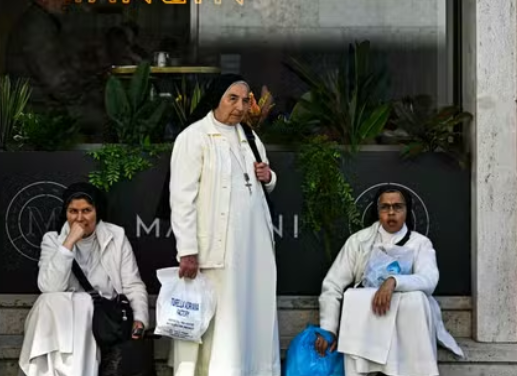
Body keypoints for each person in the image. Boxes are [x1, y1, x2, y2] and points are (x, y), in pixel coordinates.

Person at [168, 74, 281, 376]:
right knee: (219, 326)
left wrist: (268, 177)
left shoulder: (250, 137)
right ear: (217, 98)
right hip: (215, 254)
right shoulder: (193, 137)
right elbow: (181, 199)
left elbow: (264, 182)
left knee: (252, 321)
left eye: (245, 100)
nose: (241, 106)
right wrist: (188, 250)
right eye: (233, 98)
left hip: (254, 252)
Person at [315, 185, 463, 376]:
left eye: (397, 207)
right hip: (368, 320)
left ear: (406, 211)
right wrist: (329, 328)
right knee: (354, 297)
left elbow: (429, 279)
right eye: (385, 207)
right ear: (378, 211)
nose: (391, 213)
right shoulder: (359, 241)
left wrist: (394, 281)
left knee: (416, 299)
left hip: (407, 322)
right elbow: (332, 285)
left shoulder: (420, 243)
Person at [19, 182, 150, 376]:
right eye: (73, 211)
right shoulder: (53, 239)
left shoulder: (116, 236)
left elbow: (132, 283)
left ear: (97, 211)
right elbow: (49, 286)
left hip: (101, 317)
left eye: (86, 210)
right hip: (60, 318)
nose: (80, 218)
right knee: (49, 300)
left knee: (83, 303)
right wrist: (68, 243)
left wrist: (140, 318)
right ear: (66, 212)